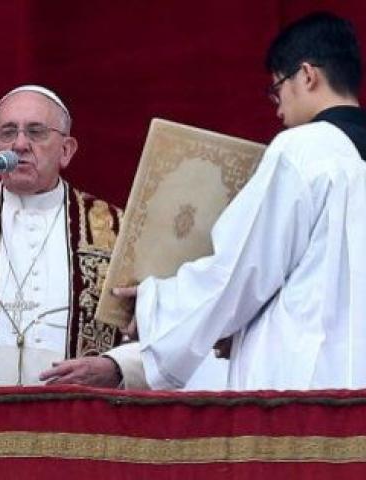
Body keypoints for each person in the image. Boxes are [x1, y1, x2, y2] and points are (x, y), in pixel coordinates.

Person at [40, 12, 366, 390]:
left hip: (310, 390)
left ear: (307, 75)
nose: (277, 108)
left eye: (277, 89)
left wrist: (156, 303)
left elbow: (242, 270)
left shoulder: (305, 150)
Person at [0, 85, 227, 387]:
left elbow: (170, 331)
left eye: (36, 132)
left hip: (78, 431)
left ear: (66, 150)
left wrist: (117, 367)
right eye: (8, 132)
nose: (20, 144)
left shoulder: (116, 232)